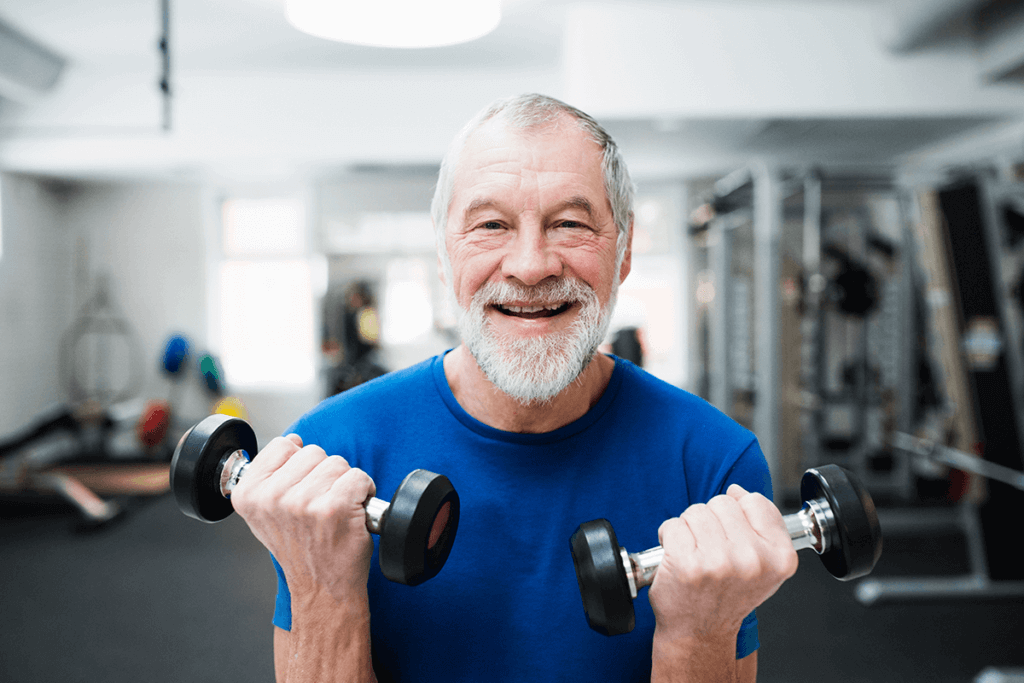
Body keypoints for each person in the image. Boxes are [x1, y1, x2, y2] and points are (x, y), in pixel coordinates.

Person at [231, 94, 798, 683]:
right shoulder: (329, 452)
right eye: (491, 225)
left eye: (571, 224)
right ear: (446, 254)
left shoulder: (711, 463)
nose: (531, 266)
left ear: (624, 251)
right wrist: (324, 588)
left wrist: (697, 632)